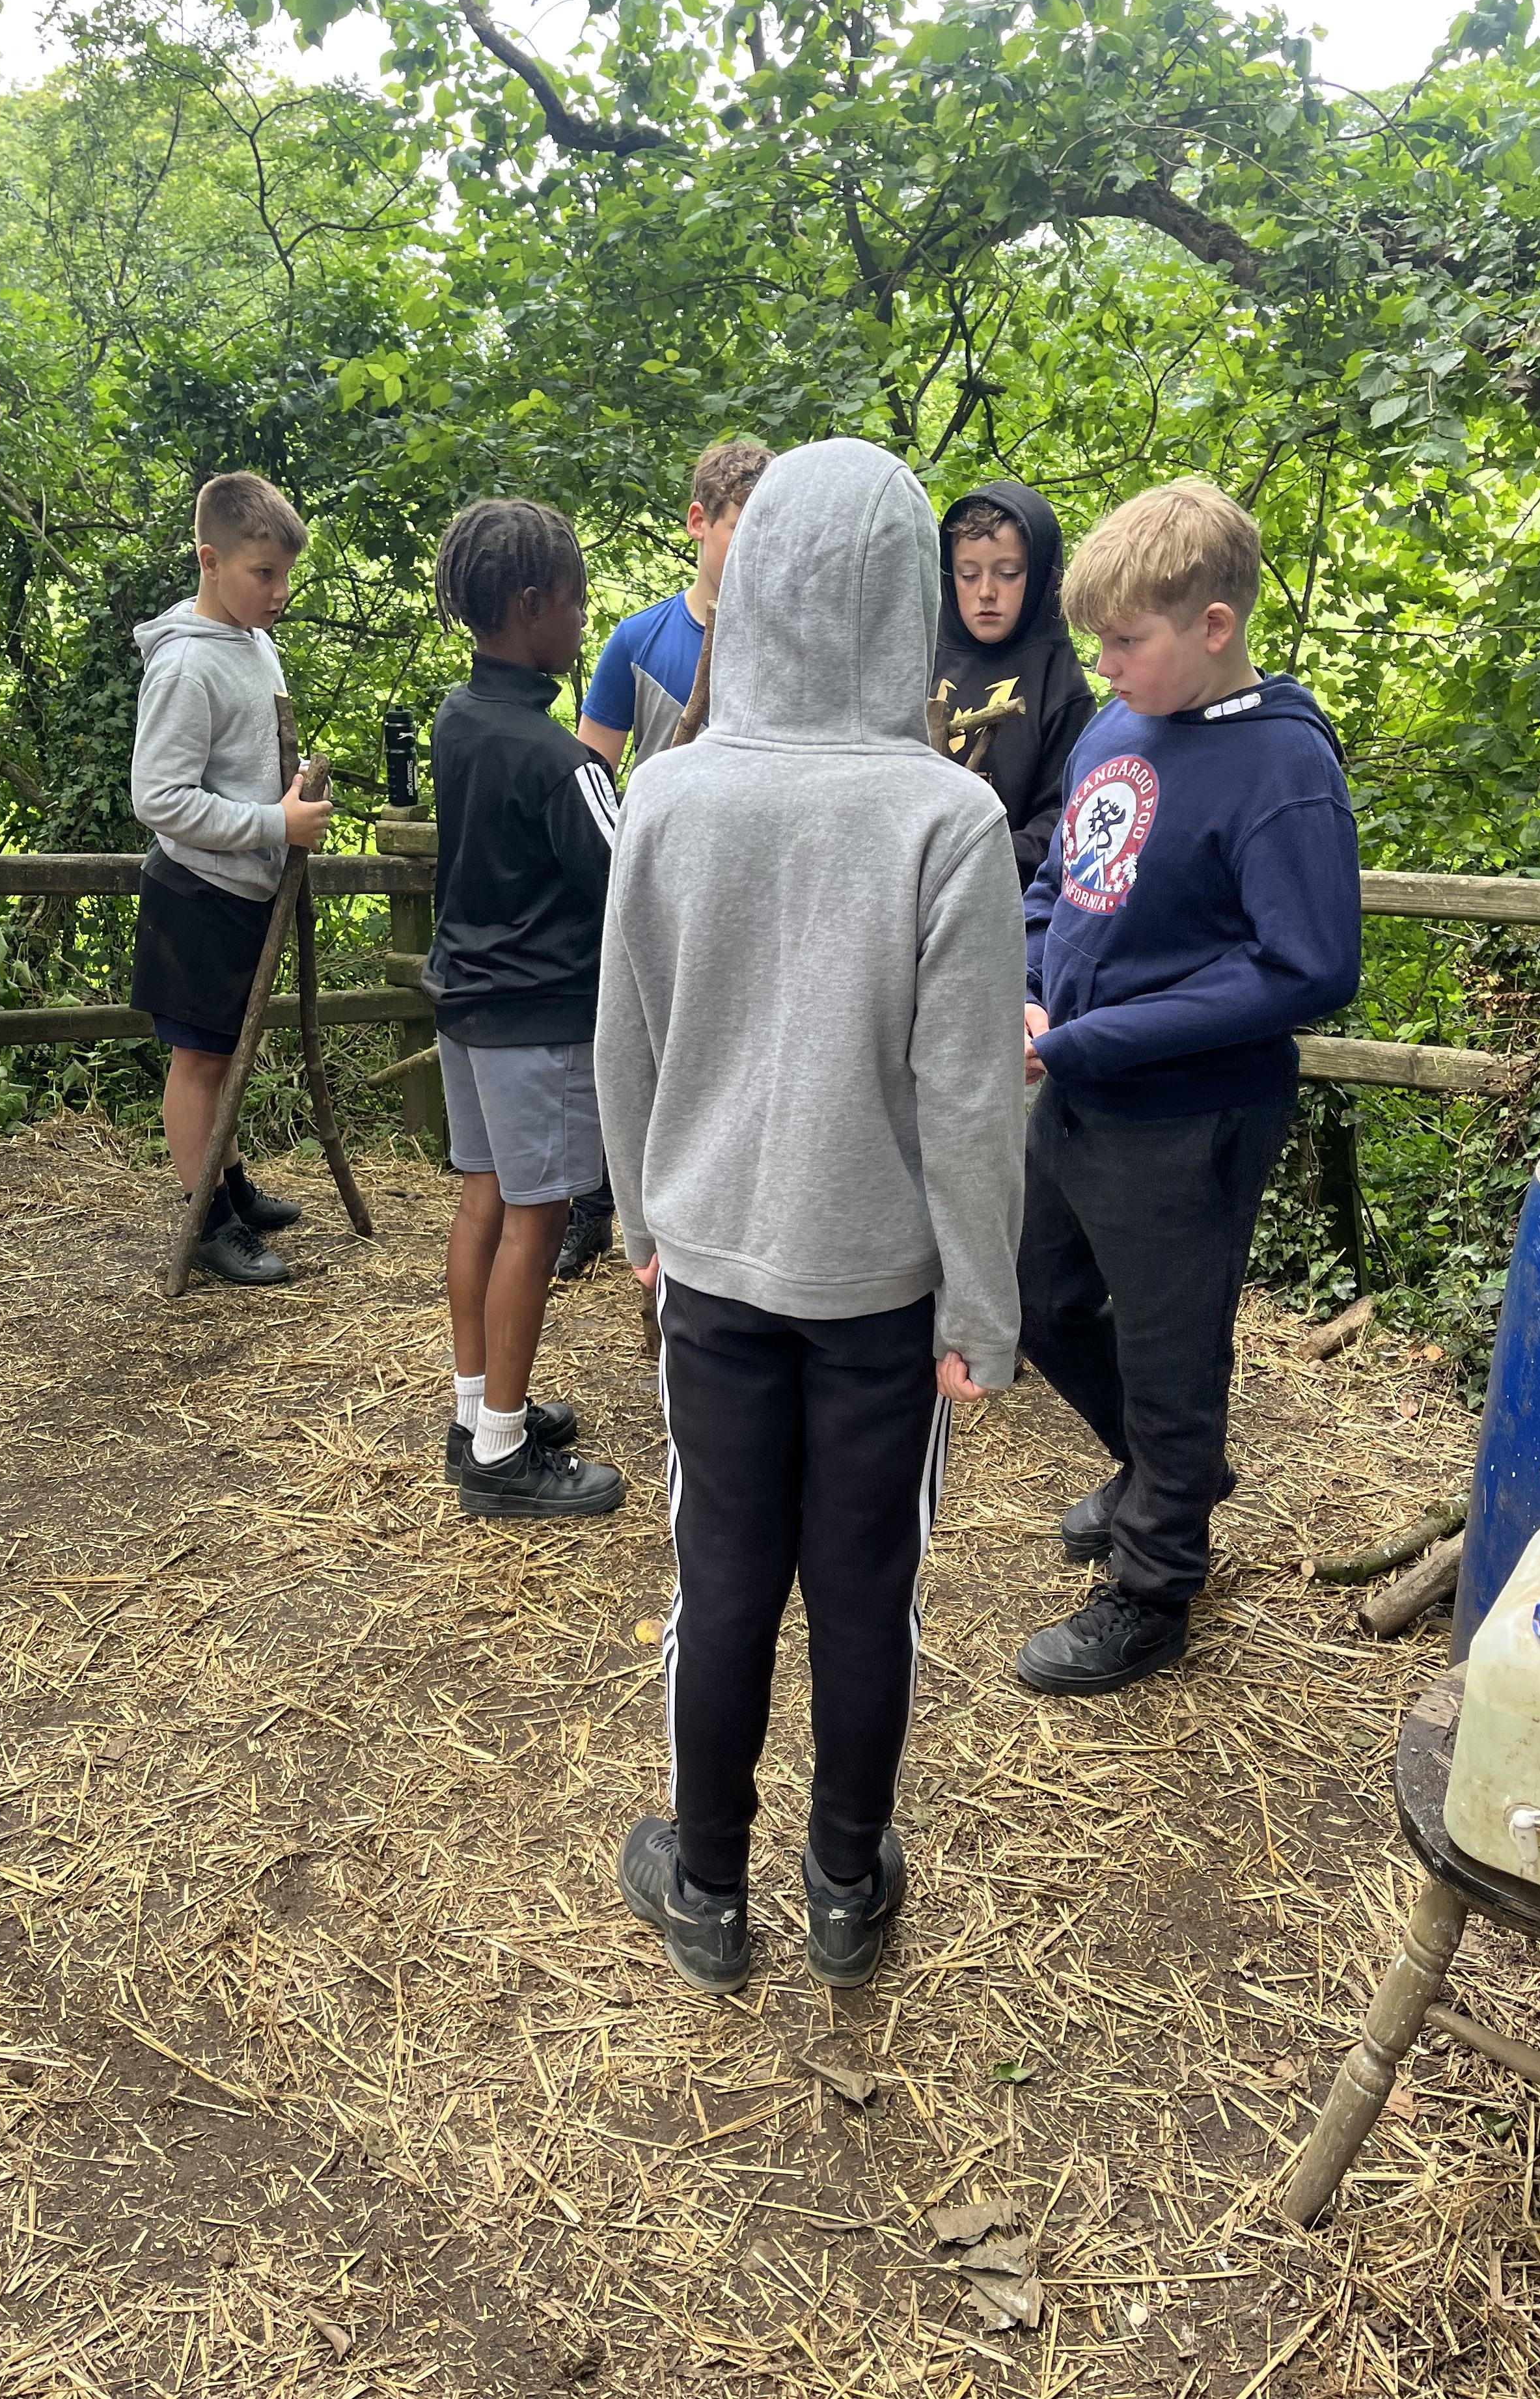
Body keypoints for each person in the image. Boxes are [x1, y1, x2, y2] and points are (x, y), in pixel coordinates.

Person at [596, 438, 1025, 1997]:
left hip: (710, 1268)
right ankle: (845, 1883)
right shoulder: (948, 817)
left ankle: (708, 1888)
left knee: (718, 1578)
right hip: (883, 1290)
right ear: (914, 598)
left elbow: (623, 1041)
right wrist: (982, 1311)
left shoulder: (671, 795)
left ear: (755, 573)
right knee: (863, 1589)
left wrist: (641, 1219)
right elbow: (970, 1098)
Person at [1015, 478, 1361, 1697]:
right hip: (1075, 1085)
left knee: (1172, 1355)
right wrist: (1030, 988)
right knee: (1038, 1298)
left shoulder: (1280, 764)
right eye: (1097, 644)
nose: (1105, 668)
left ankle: (1154, 1587)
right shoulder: (1116, 729)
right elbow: (1059, 886)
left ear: (1214, 626)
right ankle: (1167, 1476)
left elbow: (1307, 967)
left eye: (1126, 642)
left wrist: (1087, 1040)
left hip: (1187, 1116)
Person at [423, 499, 627, 1522]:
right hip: (537, 1022)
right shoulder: (562, 763)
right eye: (577, 603)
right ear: (532, 605)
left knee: (484, 1202)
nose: (584, 621)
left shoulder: (456, 720)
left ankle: (477, 1413)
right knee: (536, 1221)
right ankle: (503, 1453)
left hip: (464, 1004)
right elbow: (628, 884)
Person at [557, 436, 773, 1280]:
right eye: (741, 527)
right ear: (698, 522)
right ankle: (598, 1207)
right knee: (629, 1049)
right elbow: (590, 772)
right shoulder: (638, 641)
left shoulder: (785, 645)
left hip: (752, 897)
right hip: (654, 888)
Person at [130, 471, 330, 1287]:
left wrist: (289, 800)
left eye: (286, 575)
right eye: (263, 574)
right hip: (197, 896)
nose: (279, 593)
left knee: (225, 1053)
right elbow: (158, 797)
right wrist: (273, 825)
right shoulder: (186, 667)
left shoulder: (252, 641)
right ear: (210, 562)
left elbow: (248, 764)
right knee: (201, 1062)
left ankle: (232, 1185)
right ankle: (208, 1221)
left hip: (243, 890)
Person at [933, 479, 1095, 886]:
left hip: (1010, 898)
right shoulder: (918, 663)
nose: (986, 592)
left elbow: (1067, 819)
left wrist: (977, 857)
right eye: (968, 575)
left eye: (1008, 574)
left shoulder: (1061, 687)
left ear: (1040, 576)